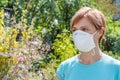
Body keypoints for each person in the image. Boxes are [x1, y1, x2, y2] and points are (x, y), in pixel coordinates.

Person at [56, 7, 120, 80]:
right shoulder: (65, 68)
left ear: (100, 32)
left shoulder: (116, 69)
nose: (78, 34)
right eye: (75, 30)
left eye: (84, 29)